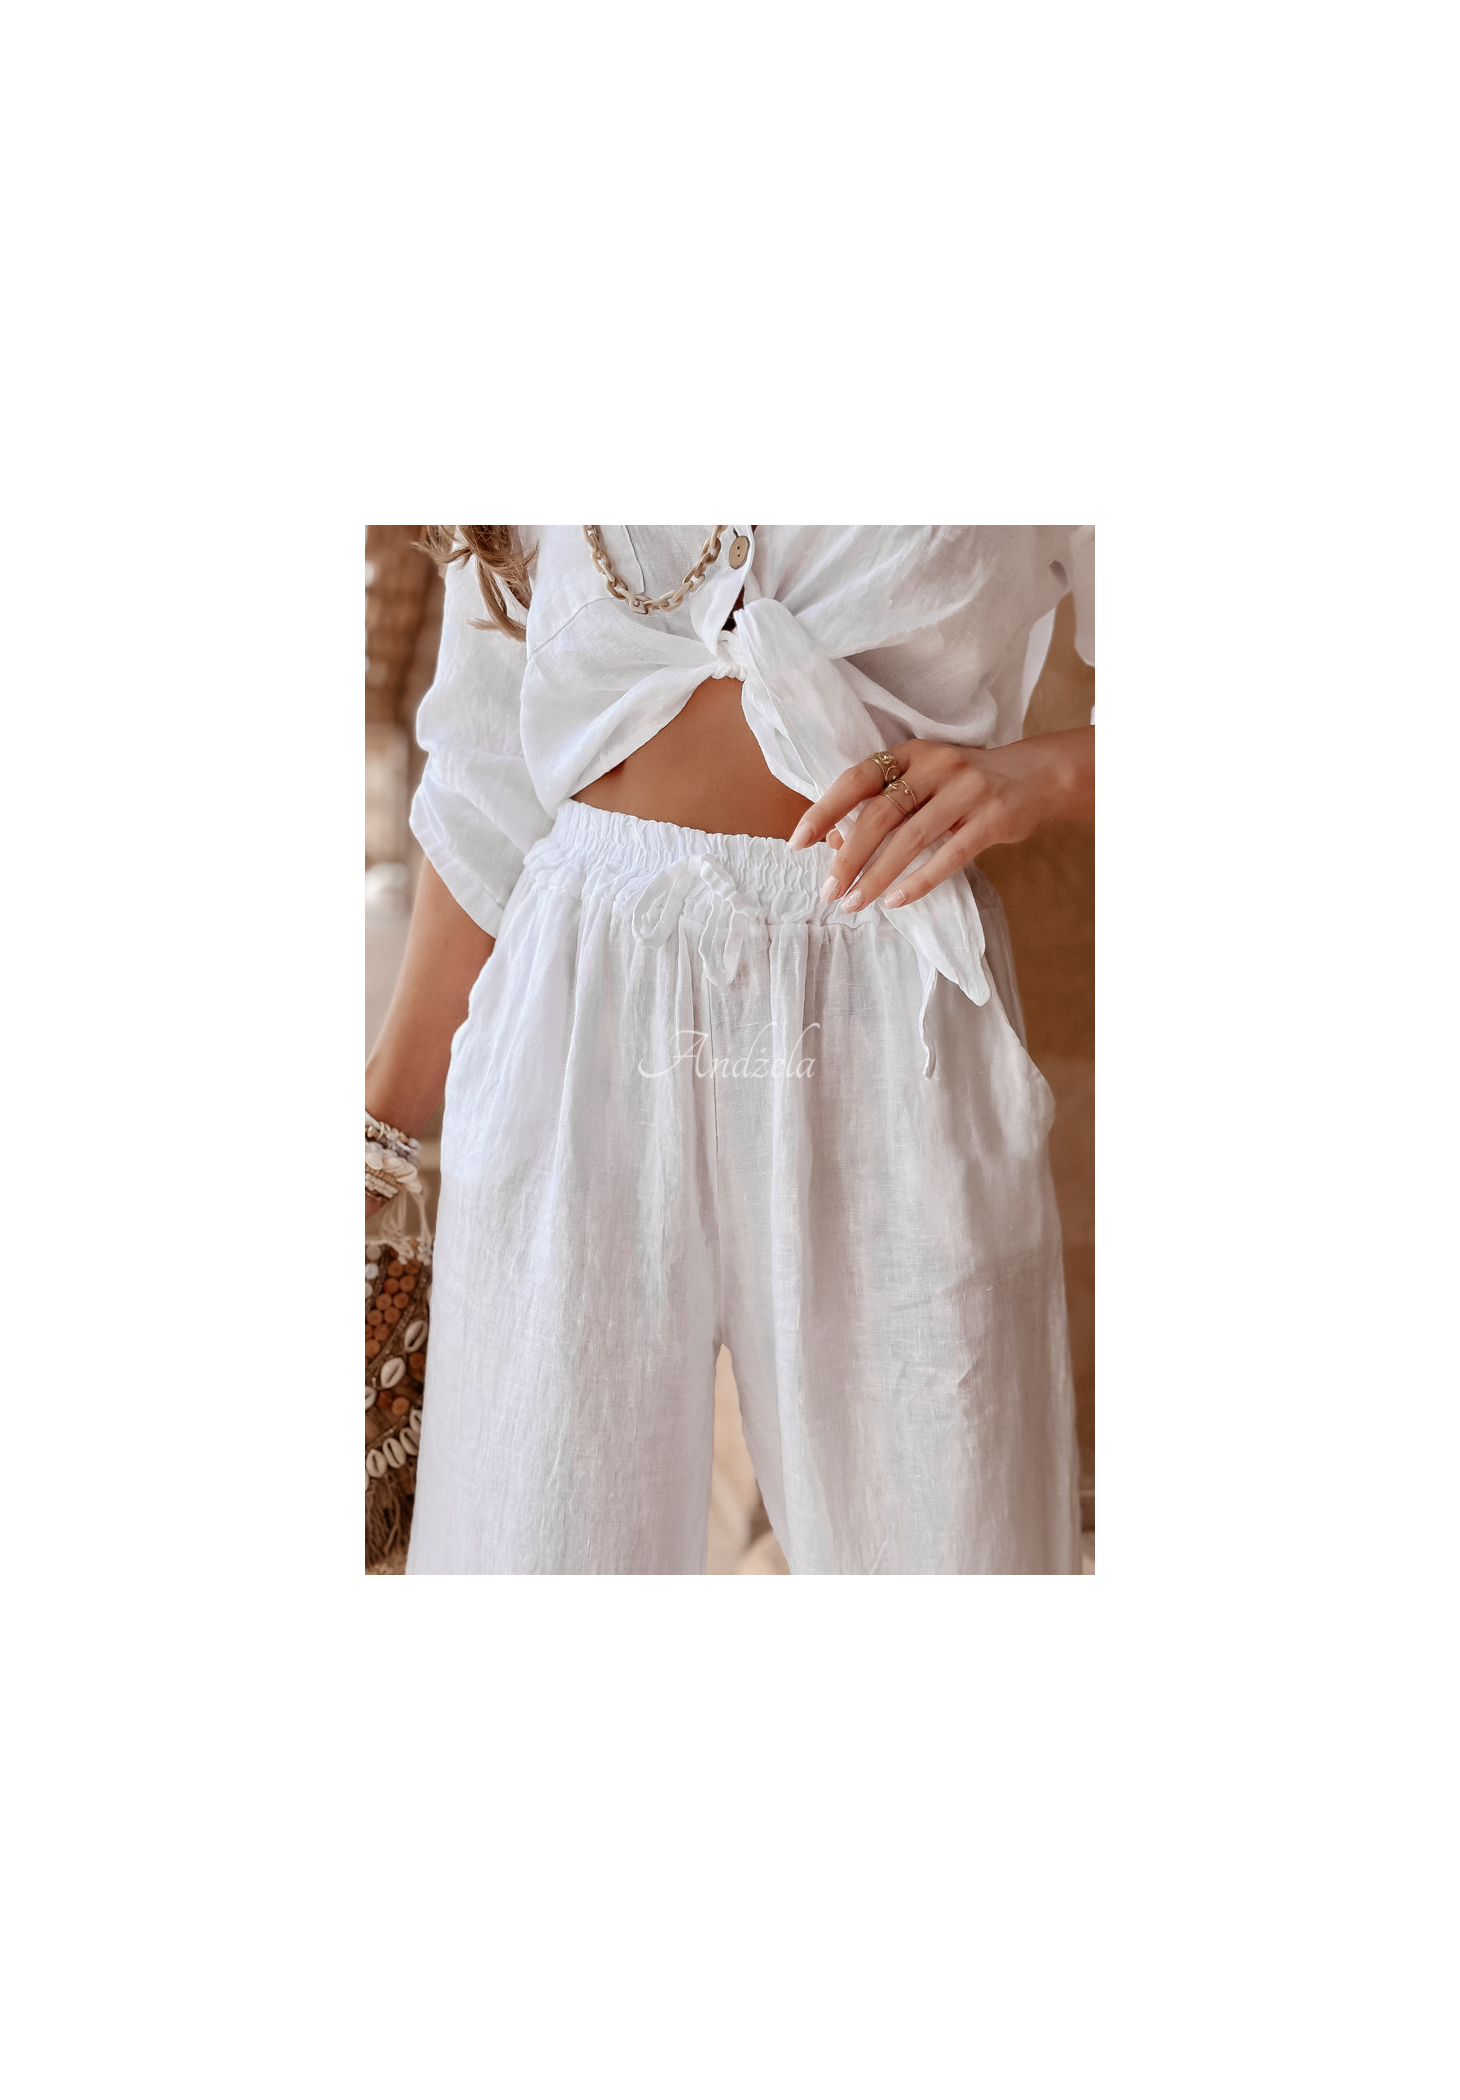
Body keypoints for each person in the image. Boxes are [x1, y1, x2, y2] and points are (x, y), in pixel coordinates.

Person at [365, 525, 1094, 1574]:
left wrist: (1041, 777)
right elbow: (485, 782)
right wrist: (377, 1130)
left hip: (888, 999)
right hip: (575, 1001)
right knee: (524, 1549)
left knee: (948, 1547)